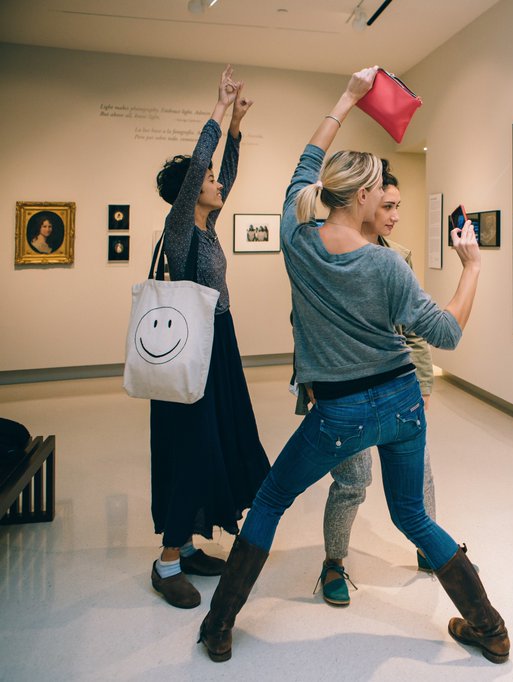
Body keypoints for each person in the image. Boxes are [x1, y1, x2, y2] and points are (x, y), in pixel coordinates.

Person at [198, 66, 509, 665]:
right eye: (380, 194)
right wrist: (471, 269)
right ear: (363, 195)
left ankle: (219, 626)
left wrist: (346, 97)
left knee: (269, 502)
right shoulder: (388, 266)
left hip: (339, 411)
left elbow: (302, 168)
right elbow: (444, 333)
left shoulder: (297, 239)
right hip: (401, 403)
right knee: (412, 514)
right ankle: (489, 626)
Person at [149, 65, 271, 609]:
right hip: (191, 356)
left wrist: (238, 130)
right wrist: (218, 109)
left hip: (219, 346)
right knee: (191, 448)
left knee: (216, 445)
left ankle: (192, 546)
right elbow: (203, 164)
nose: (217, 183)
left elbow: (226, 174)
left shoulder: (207, 228)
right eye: (208, 182)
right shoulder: (179, 231)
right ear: (187, 196)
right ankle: (167, 560)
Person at [301, 158, 440, 608]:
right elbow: (303, 320)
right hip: (345, 390)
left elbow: (418, 329)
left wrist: (423, 384)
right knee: (353, 481)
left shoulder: (398, 257)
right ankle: (334, 562)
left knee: (421, 474)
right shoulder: (326, 251)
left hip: (396, 388)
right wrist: (309, 378)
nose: (393, 214)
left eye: (398, 205)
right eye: (388, 204)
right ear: (365, 200)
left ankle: (430, 550)